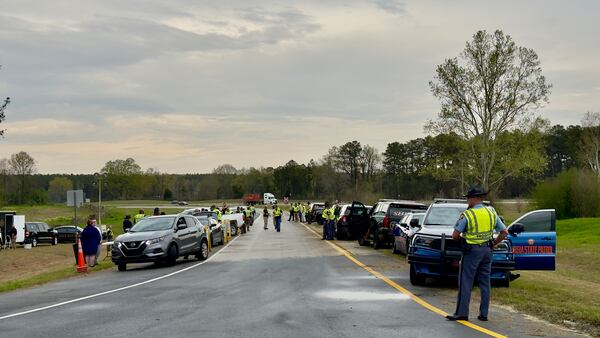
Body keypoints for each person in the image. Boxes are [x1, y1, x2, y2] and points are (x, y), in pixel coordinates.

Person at [446, 186, 508, 322]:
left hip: (472, 252)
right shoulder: (491, 211)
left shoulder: (468, 214)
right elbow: (504, 232)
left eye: (468, 198)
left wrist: (463, 240)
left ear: (474, 198)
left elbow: (455, 235)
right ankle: (484, 314)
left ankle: (462, 313)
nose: (467, 200)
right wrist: (493, 243)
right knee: (485, 282)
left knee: (466, 281)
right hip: (487, 250)